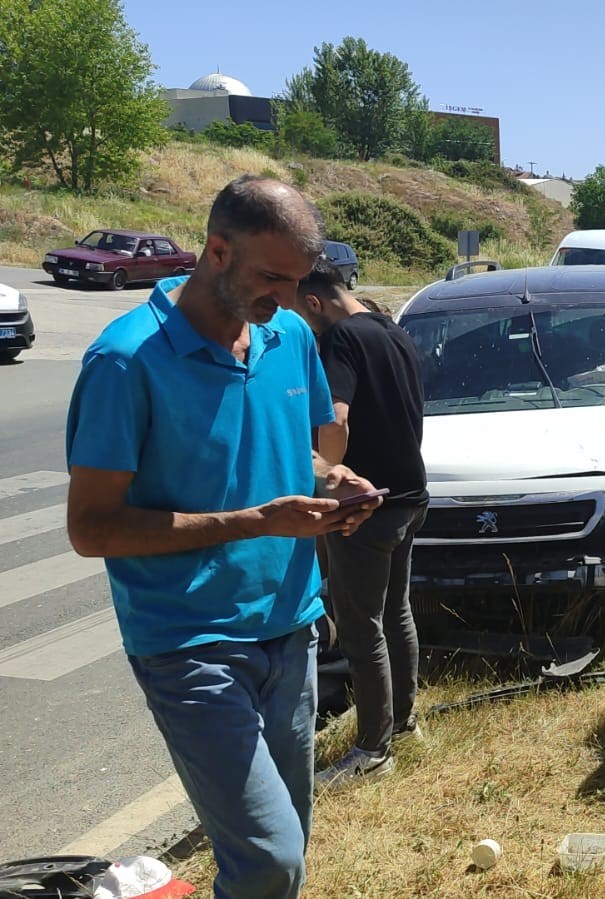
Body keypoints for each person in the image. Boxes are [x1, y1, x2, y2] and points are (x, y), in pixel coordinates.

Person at [64, 176, 383, 899]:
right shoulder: (127, 361)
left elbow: (293, 455)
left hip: (291, 628)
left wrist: (336, 483)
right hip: (190, 643)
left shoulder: (288, 334)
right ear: (215, 251)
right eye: (273, 277)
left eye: (300, 281)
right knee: (271, 858)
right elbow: (90, 527)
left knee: (283, 852)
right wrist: (256, 521)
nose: (291, 298)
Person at [282, 259, 429, 788]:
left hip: (365, 504)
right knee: (396, 613)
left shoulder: (340, 339)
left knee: (359, 625)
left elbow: (336, 418)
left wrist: (328, 477)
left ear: (315, 302)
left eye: (297, 309)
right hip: (411, 495)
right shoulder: (393, 330)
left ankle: (372, 749)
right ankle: (404, 723)